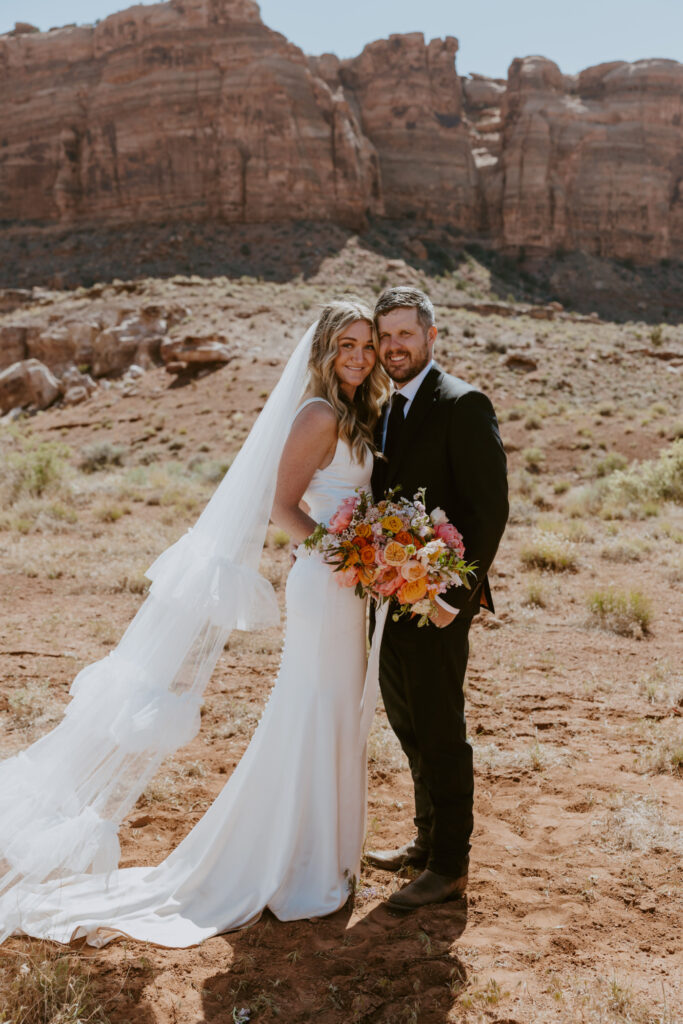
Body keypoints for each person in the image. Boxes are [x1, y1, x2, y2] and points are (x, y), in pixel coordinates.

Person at [0, 299, 389, 947]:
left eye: (367, 346)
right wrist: (345, 553)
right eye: (346, 344)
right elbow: (278, 505)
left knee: (334, 710)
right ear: (323, 349)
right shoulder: (318, 414)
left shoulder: (352, 413)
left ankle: (322, 857)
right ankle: (292, 863)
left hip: (350, 585)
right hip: (327, 582)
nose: (358, 356)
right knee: (312, 707)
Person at [366, 286, 508, 910]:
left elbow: (488, 511)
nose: (394, 347)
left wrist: (456, 596)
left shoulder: (462, 403)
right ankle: (425, 842)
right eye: (385, 337)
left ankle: (449, 865)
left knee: (441, 728)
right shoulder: (383, 408)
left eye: (405, 335)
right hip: (389, 597)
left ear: (429, 336)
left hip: (439, 601)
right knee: (407, 722)